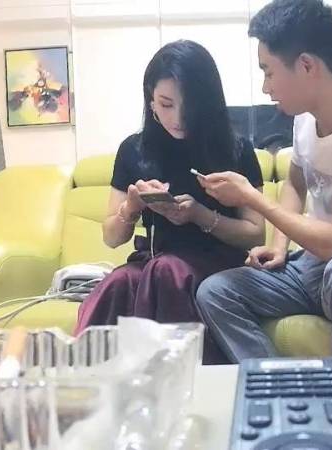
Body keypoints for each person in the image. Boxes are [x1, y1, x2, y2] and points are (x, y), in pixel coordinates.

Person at [195, 0, 332, 362]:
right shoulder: (304, 120)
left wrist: (251, 196)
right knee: (215, 292)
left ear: (307, 65)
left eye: (269, 72)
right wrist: (279, 246)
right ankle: (279, 384)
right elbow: (295, 183)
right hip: (311, 266)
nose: (266, 87)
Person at [75, 40, 265, 364]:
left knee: (167, 271)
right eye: (166, 104)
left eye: (190, 105)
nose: (178, 118)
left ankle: (176, 381)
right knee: (118, 282)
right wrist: (132, 207)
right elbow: (111, 237)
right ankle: (89, 384)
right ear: (150, 99)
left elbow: (255, 234)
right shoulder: (134, 150)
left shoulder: (235, 149)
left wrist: (200, 215)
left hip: (217, 262)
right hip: (154, 258)